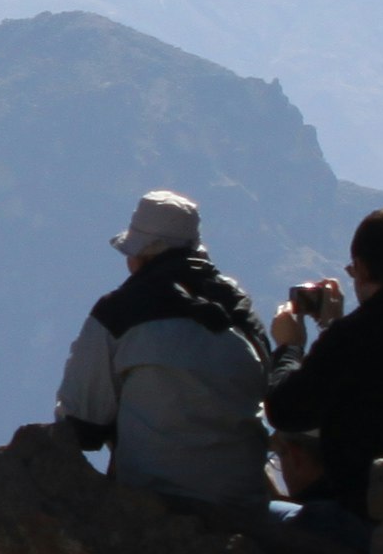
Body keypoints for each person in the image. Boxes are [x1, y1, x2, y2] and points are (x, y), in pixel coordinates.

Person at [54, 189, 275, 509]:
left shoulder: (118, 313)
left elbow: (81, 428)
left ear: (141, 254)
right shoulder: (242, 313)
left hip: (155, 506)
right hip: (245, 504)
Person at [261, 206, 383, 546]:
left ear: (363, 269)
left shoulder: (354, 336)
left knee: (255, 519)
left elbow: (286, 410)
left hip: (364, 518)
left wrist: (289, 348)